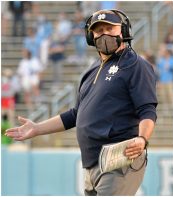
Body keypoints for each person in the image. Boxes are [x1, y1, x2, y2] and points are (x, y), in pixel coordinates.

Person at [6, 9, 158, 196]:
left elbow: (147, 110)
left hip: (119, 159)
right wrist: (37, 128)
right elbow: (75, 115)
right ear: (90, 36)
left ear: (123, 31)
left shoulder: (135, 65)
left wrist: (142, 139)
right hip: (91, 163)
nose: (104, 33)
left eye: (109, 28)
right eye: (98, 30)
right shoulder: (93, 69)